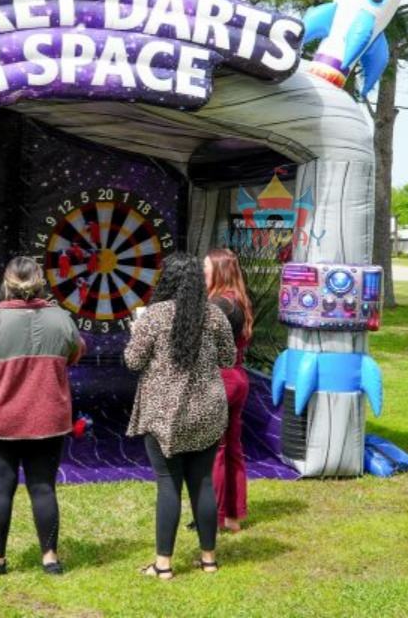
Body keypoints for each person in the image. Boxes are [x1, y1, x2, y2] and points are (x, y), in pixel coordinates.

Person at [0, 257, 85, 576]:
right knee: (44, 488)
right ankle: (50, 559)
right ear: (40, 283)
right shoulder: (61, 318)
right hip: (48, 419)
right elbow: (76, 352)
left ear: (6, 284)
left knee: (0, 488)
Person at [124, 252, 236, 580]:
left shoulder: (154, 316)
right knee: (203, 483)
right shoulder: (214, 315)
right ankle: (209, 560)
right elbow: (229, 359)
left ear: (167, 280)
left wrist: (136, 331)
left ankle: (163, 565)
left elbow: (132, 361)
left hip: (164, 415)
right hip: (208, 411)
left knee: (168, 484)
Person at [204, 248, 254, 533]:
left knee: (216, 450)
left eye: (207, 268)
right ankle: (234, 515)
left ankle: (215, 513)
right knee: (233, 448)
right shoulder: (239, 301)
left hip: (220, 379)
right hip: (237, 378)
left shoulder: (218, 305)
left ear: (219, 272)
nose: (203, 273)